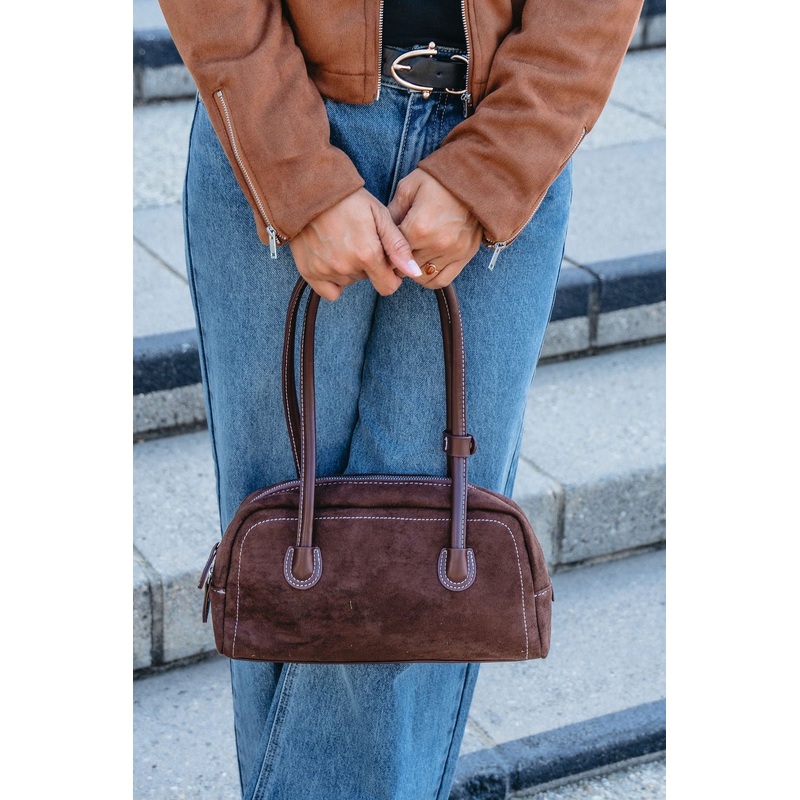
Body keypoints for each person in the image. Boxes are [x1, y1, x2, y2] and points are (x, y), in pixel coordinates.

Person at [157, 1, 644, 797]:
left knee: (428, 562)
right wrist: (296, 174)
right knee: (284, 549)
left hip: (502, 118)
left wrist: (493, 167)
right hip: (279, 105)